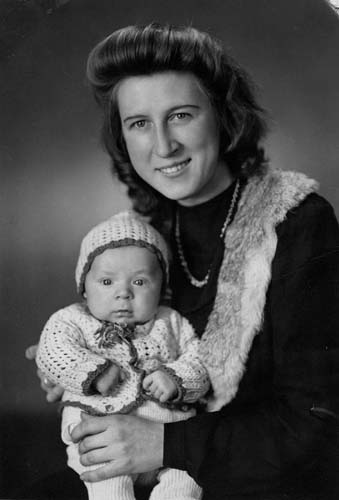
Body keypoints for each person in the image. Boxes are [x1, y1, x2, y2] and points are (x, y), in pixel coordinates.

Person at [26, 23, 339, 500]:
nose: (164, 147)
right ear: (122, 137)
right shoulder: (142, 233)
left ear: (223, 115)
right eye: (139, 123)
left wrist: (166, 443)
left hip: (260, 478)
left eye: (181, 115)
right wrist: (78, 365)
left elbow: (319, 424)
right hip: (134, 467)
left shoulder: (297, 222)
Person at [36, 211, 209, 500]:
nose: (123, 294)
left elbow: (199, 360)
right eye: (107, 282)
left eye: (139, 282)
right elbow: (52, 350)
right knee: (108, 482)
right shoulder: (73, 319)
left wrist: (177, 378)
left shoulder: (172, 322)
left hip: (167, 436)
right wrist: (93, 371)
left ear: (162, 288)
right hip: (99, 431)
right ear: (84, 287)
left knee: (188, 477)